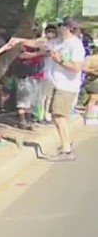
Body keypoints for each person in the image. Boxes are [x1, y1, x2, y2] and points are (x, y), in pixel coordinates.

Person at [14, 18, 87, 161]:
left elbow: (77, 67)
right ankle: (65, 144)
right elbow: (39, 44)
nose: (57, 28)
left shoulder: (75, 45)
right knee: (57, 116)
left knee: (59, 116)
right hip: (57, 84)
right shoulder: (59, 42)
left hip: (67, 86)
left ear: (67, 28)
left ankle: (67, 150)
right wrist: (18, 41)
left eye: (60, 25)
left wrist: (58, 59)